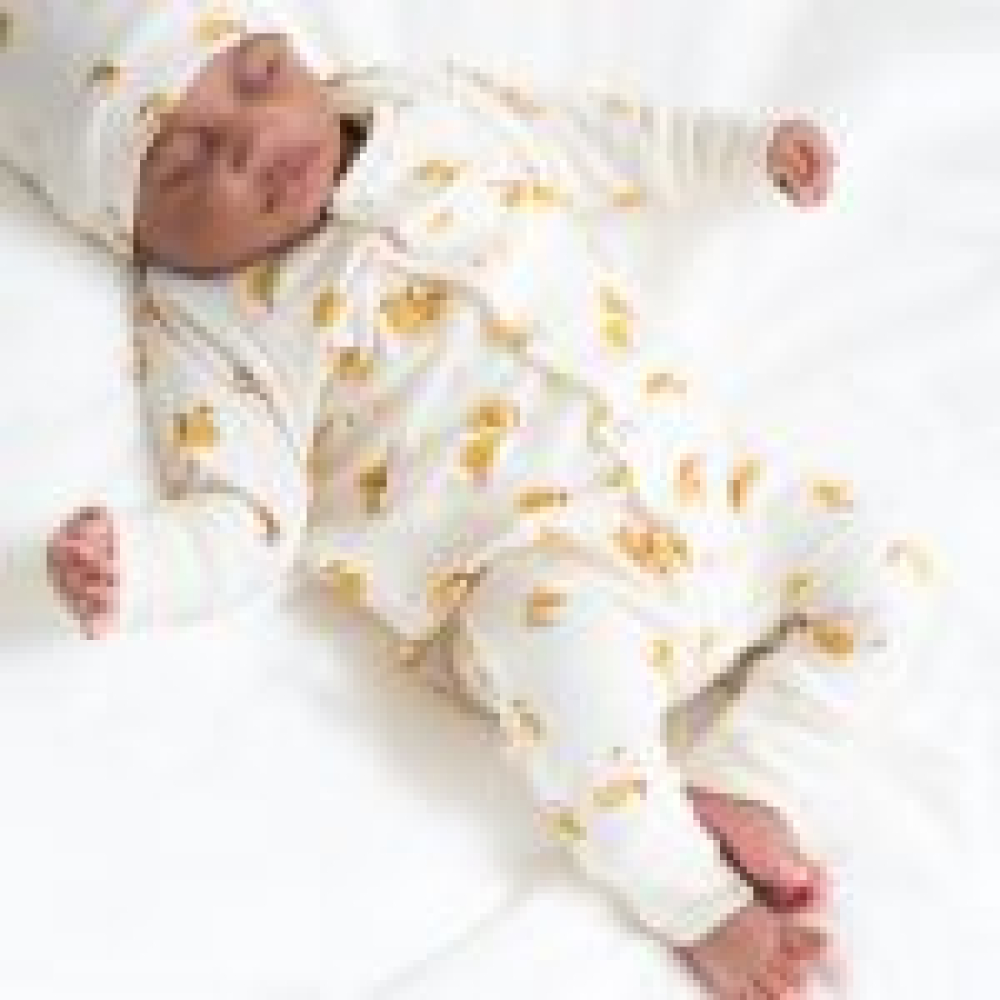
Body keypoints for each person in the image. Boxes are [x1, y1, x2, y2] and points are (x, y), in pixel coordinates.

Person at [0, 2, 939, 997]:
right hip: (540, 580)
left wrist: (742, 154)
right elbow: (244, 517)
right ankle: (697, 901)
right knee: (582, 729)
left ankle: (754, 779)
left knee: (885, 566)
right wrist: (141, 564)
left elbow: (598, 139)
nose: (253, 139)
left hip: (707, 490)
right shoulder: (209, 324)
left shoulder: (427, 112)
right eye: (184, 166)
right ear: (130, 233)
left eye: (258, 74)